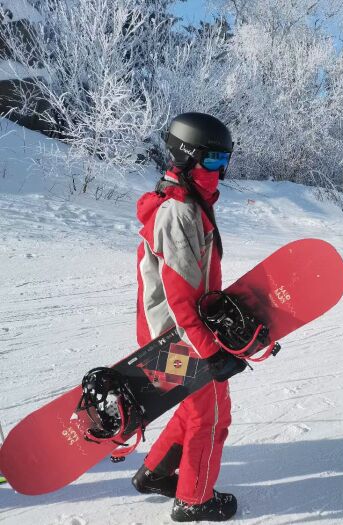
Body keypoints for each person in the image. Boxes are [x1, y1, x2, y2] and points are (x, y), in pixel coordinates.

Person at [131, 112, 239, 522]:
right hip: (175, 339)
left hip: (178, 334)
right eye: (212, 160)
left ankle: (156, 473)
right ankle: (194, 500)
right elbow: (180, 299)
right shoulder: (178, 213)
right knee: (211, 414)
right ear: (188, 157)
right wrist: (210, 351)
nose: (220, 170)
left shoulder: (191, 204)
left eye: (224, 160)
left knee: (195, 409)